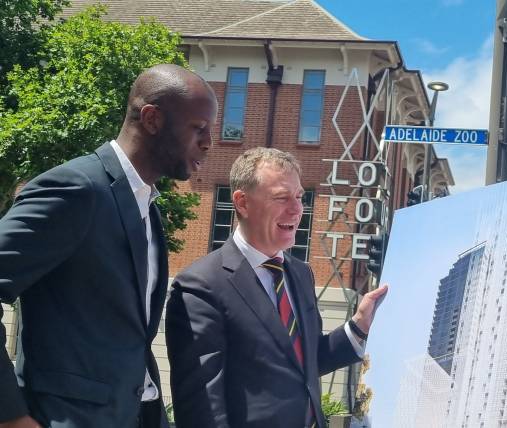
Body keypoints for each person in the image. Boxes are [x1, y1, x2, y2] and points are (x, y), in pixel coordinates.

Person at [0, 64, 217, 428]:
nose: (209, 142)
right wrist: (10, 415)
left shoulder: (147, 207)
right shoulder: (76, 189)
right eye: (199, 128)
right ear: (152, 119)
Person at [165, 147, 388, 428]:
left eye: (299, 197)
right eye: (282, 198)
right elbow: (202, 408)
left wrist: (357, 327)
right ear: (242, 203)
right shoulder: (200, 286)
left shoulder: (300, 273)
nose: (297, 210)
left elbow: (304, 363)